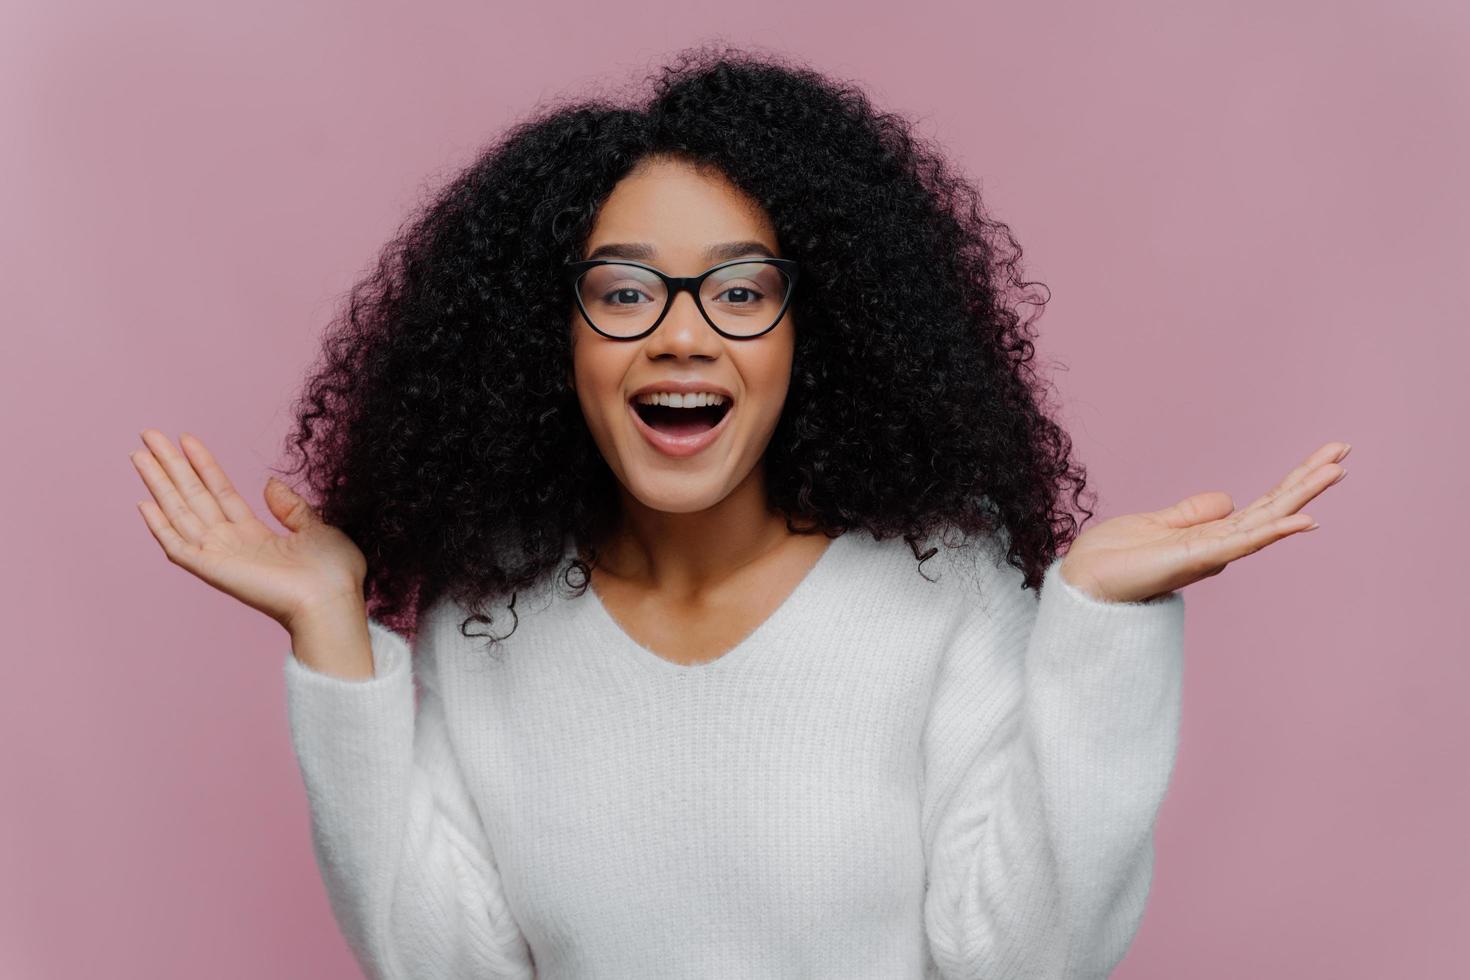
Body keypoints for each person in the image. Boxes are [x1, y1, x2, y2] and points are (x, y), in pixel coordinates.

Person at [128, 45, 1348, 980]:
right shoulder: (487, 612)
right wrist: (332, 631)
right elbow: (447, 961)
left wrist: (1094, 624)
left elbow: (1018, 959)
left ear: (813, 335)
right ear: (549, 340)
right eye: (622, 289)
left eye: (741, 289)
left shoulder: (943, 585)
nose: (680, 329)